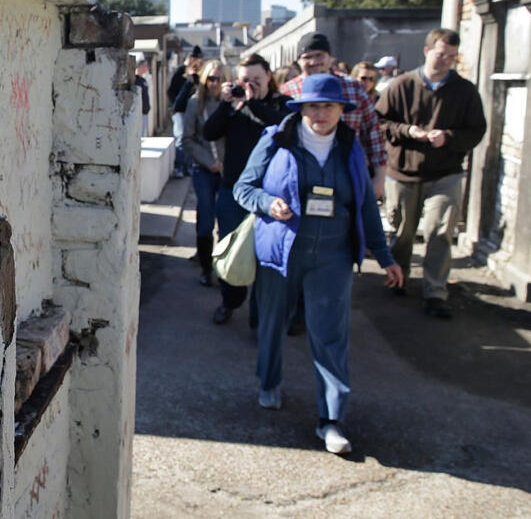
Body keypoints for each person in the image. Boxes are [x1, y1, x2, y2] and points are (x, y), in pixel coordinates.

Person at [234, 73, 404, 455]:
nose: (321, 113)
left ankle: (331, 419)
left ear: (342, 110)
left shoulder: (351, 148)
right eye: (313, 105)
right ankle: (268, 382)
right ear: (301, 108)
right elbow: (243, 188)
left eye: (329, 105)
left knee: (330, 335)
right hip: (280, 249)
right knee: (272, 322)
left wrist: (385, 254)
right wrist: (267, 203)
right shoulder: (276, 140)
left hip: (333, 254)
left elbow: (364, 206)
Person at [375, 28, 487, 318]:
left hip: (445, 171)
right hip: (404, 171)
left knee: (440, 231)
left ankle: (435, 291)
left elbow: (476, 130)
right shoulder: (401, 85)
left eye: (452, 56)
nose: (446, 61)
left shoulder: (464, 90)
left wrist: (448, 137)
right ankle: (398, 276)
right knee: (402, 231)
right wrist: (406, 130)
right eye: (441, 54)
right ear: (427, 51)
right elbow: (379, 121)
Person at [202, 54, 292, 326]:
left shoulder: (282, 104)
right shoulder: (235, 107)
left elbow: (284, 127)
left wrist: (253, 103)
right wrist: (227, 105)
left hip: (272, 197)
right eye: (244, 80)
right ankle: (230, 301)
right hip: (233, 191)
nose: (250, 85)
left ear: (269, 78)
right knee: (233, 248)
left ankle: (259, 317)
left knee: (267, 259)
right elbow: (209, 133)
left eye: (256, 80)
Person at [281, 33, 388, 200]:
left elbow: (372, 132)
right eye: (307, 57)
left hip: (348, 170)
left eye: (319, 55)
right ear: (299, 61)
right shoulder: (288, 92)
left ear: (330, 58)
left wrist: (379, 177)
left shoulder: (354, 88)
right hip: (302, 173)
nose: (314, 62)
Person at [181, 60, 228, 286]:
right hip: (204, 169)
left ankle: (223, 264)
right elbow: (187, 139)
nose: (215, 83)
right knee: (206, 217)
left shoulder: (230, 103)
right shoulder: (195, 104)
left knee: (226, 219)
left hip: (227, 169)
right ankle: (206, 267)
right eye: (211, 78)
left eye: (219, 78)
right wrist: (208, 161)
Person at [169, 46, 204, 177]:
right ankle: (179, 167)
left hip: (193, 110)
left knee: (191, 138)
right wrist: (175, 104)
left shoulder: (199, 74)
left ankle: (188, 166)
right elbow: (171, 91)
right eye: (195, 59)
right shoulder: (181, 72)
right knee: (181, 138)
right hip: (180, 110)